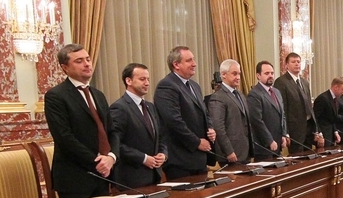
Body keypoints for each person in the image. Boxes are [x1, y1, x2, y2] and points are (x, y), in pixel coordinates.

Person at [43, 44, 115, 198]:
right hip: (75, 178)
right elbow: (64, 137)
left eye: (88, 59)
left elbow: (111, 131)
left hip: (103, 175)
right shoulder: (56, 96)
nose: (87, 64)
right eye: (79, 61)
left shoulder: (98, 95)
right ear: (65, 67)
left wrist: (111, 157)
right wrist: (97, 162)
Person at [154, 46, 217, 179]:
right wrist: (196, 142)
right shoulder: (166, 86)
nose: (194, 64)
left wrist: (210, 128)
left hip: (199, 158)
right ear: (176, 65)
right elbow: (174, 121)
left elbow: (204, 112)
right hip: (180, 159)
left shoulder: (195, 86)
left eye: (193, 59)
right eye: (189, 60)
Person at [109, 62, 166, 189]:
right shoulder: (119, 107)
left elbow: (161, 136)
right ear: (128, 81)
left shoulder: (150, 107)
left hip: (154, 175)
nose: (147, 83)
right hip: (131, 177)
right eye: (142, 79)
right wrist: (143, 158)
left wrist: (163, 154)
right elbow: (115, 143)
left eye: (148, 79)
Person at [208, 59, 272, 164]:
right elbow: (218, 128)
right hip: (231, 153)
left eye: (239, 74)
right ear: (223, 75)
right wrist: (229, 151)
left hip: (245, 152)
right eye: (234, 74)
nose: (238, 77)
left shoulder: (241, 95)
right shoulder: (218, 97)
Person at [274, 52, 320, 150]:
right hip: (294, 130)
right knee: (298, 156)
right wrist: (286, 132)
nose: (297, 64)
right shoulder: (281, 82)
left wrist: (316, 129)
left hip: (308, 127)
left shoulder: (305, 82)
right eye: (293, 62)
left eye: (298, 62)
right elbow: (283, 109)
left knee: (310, 156)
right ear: (286, 65)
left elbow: (309, 106)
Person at [247, 60, 286, 157]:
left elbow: (282, 115)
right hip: (264, 146)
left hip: (278, 143)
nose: (270, 76)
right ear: (258, 76)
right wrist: (269, 140)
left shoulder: (277, 92)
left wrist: (284, 135)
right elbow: (256, 120)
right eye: (267, 73)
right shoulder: (254, 94)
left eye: (272, 73)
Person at [313, 78, 343, 145]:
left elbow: (332, 118)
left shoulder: (336, 99)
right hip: (323, 134)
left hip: (331, 134)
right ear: (336, 87)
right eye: (342, 89)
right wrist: (319, 134)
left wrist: (335, 132)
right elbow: (315, 118)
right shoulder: (323, 98)